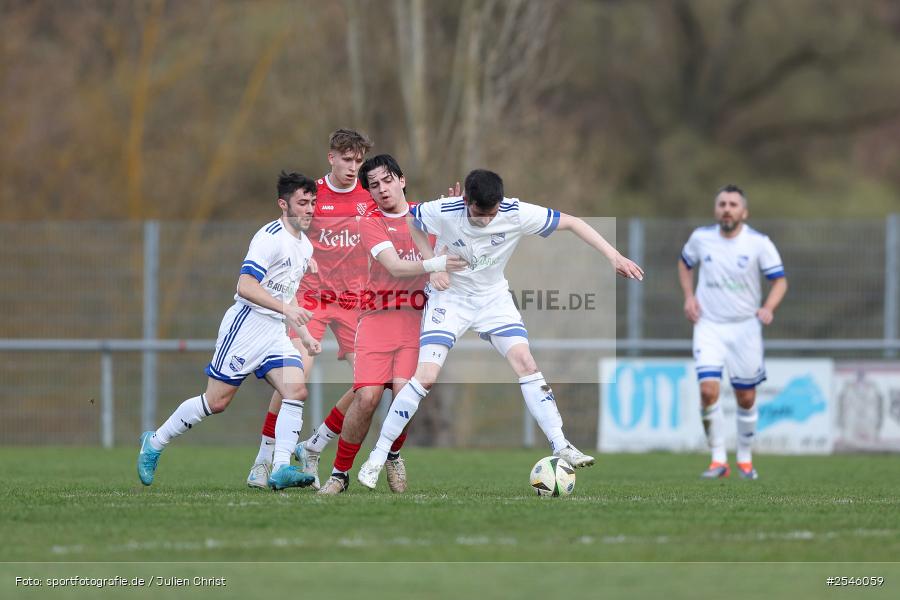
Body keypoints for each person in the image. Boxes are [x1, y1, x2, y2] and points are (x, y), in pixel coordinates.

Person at [356, 169, 645, 489]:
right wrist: (433, 264)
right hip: (449, 300)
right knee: (425, 377)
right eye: (479, 214)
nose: (486, 221)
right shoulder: (445, 210)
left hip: (493, 300)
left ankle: (560, 443)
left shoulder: (516, 212)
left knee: (526, 363)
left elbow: (574, 222)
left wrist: (614, 256)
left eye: (492, 214)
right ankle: (377, 458)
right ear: (466, 202)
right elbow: (412, 220)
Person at [138, 172, 320, 490]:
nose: (309, 209)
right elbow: (245, 286)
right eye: (302, 203)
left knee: (296, 389)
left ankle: (280, 468)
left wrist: (301, 332)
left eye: (312, 203)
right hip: (246, 326)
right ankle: (154, 442)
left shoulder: (305, 246)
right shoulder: (270, 237)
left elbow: (286, 293)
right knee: (216, 402)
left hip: (274, 331)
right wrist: (288, 309)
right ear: (283, 204)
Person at [318, 154, 467, 495]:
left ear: (402, 180)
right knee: (367, 397)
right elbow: (397, 267)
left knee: (404, 395)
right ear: (369, 193)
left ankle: (393, 454)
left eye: (387, 181)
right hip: (376, 318)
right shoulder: (370, 220)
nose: (382, 190)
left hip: (417, 320)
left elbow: (463, 248)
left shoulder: (426, 215)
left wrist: (455, 217)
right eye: (374, 185)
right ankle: (340, 474)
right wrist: (438, 263)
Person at [246, 129, 376, 490]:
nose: (353, 167)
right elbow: (285, 236)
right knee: (293, 378)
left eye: (358, 161)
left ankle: (314, 445)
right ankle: (263, 460)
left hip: (354, 304)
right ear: (331, 157)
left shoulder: (369, 199)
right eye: (347, 160)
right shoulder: (312, 197)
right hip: (310, 302)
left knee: (370, 385)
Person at [677, 184, 788, 480]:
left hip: (745, 328)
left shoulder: (758, 243)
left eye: (732, 204)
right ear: (716, 209)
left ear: (744, 212)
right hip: (709, 325)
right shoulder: (701, 238)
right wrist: (689, 296)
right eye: (722, 204)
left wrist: (768, 307)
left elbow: (779, 281)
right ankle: (717, 460)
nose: (726, 208)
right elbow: (685, 263)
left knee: (746, 397)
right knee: (707, 390)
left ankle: (745, 459)